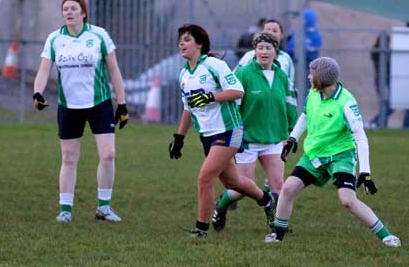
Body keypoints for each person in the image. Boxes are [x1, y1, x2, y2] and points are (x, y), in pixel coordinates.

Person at [264, 57, 401, 247]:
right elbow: (306, 114)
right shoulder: (314, 93)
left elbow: (360, 137)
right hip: (314, 154)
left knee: (348, 201)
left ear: (322, 78)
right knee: (288, 189)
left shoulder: (346, 102)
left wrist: (365, 171)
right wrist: (293, 137)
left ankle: (387, 236)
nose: (308, 76)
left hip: (341, 155)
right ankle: (278, 235)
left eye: (312, 74)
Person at [168, 24, 275, 239]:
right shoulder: (184, 75)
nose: (181, 43)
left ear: (200, 44)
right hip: (207, 134)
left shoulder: (214, 65)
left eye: (187, 39)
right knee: (233, 183)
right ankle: (267, 200)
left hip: (228, 130)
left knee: (205, 178)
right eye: (180, 40)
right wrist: (179, 137)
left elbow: (237, 91)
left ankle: (201, 230)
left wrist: (210, 97)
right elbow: (188, 108)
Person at [33, 0, 129, 223]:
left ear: (83, 12)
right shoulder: (55, 39)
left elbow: (114, 70)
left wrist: (122, 103)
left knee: (108, 155)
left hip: (99, 104)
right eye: (65, 8)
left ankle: (103, 208)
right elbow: (44, 69)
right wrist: (37, 92)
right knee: (68, 158)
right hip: (68, 106)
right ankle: (65, 210)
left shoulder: (99, 35)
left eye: (73, 8)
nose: (68, 12)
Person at [212, 32, 298, 232]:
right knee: (243, 187)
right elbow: (233, 106)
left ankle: (279, 225)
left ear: (276, 52)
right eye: (260, 48)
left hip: (274, 138)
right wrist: (234, 133)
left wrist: (291, 133)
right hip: (248, 139)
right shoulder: (244, 74)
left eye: (268, 48)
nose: (264, 52)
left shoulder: (281, 75)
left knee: (279, 186)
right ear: (254, 51)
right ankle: (221, 207)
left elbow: (290, 104)